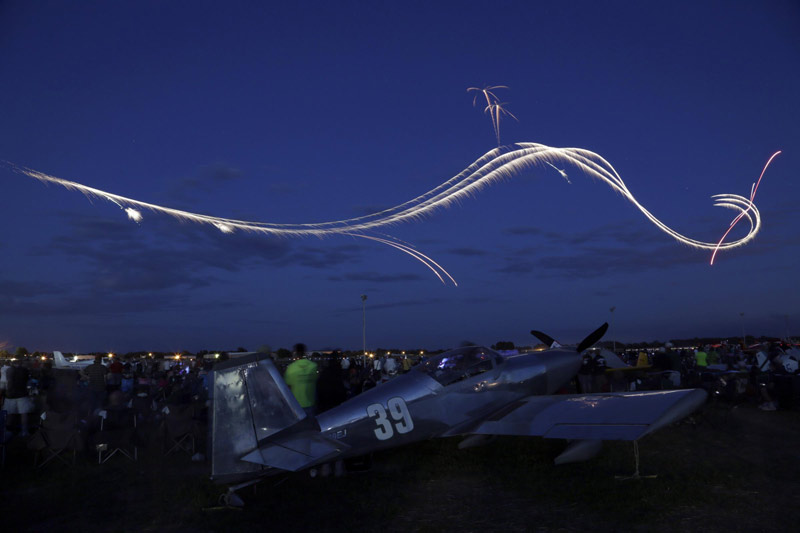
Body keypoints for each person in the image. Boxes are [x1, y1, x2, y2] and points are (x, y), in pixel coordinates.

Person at [283, 343, 318, 416]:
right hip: (311, 403)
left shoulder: (291, 368)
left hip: (296, 405)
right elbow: (316, 381)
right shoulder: (313, 366)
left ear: (295, 353)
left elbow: (287, 388)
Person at [5, 359, 34, 436]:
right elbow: (28, 381)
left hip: (10, 395)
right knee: (23, 414)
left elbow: (8, 382)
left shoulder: (9, 370)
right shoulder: (24, 370)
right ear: (20, 363)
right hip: (22, 394)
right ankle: (24, 431)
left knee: (10, 414)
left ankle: (7, 430)